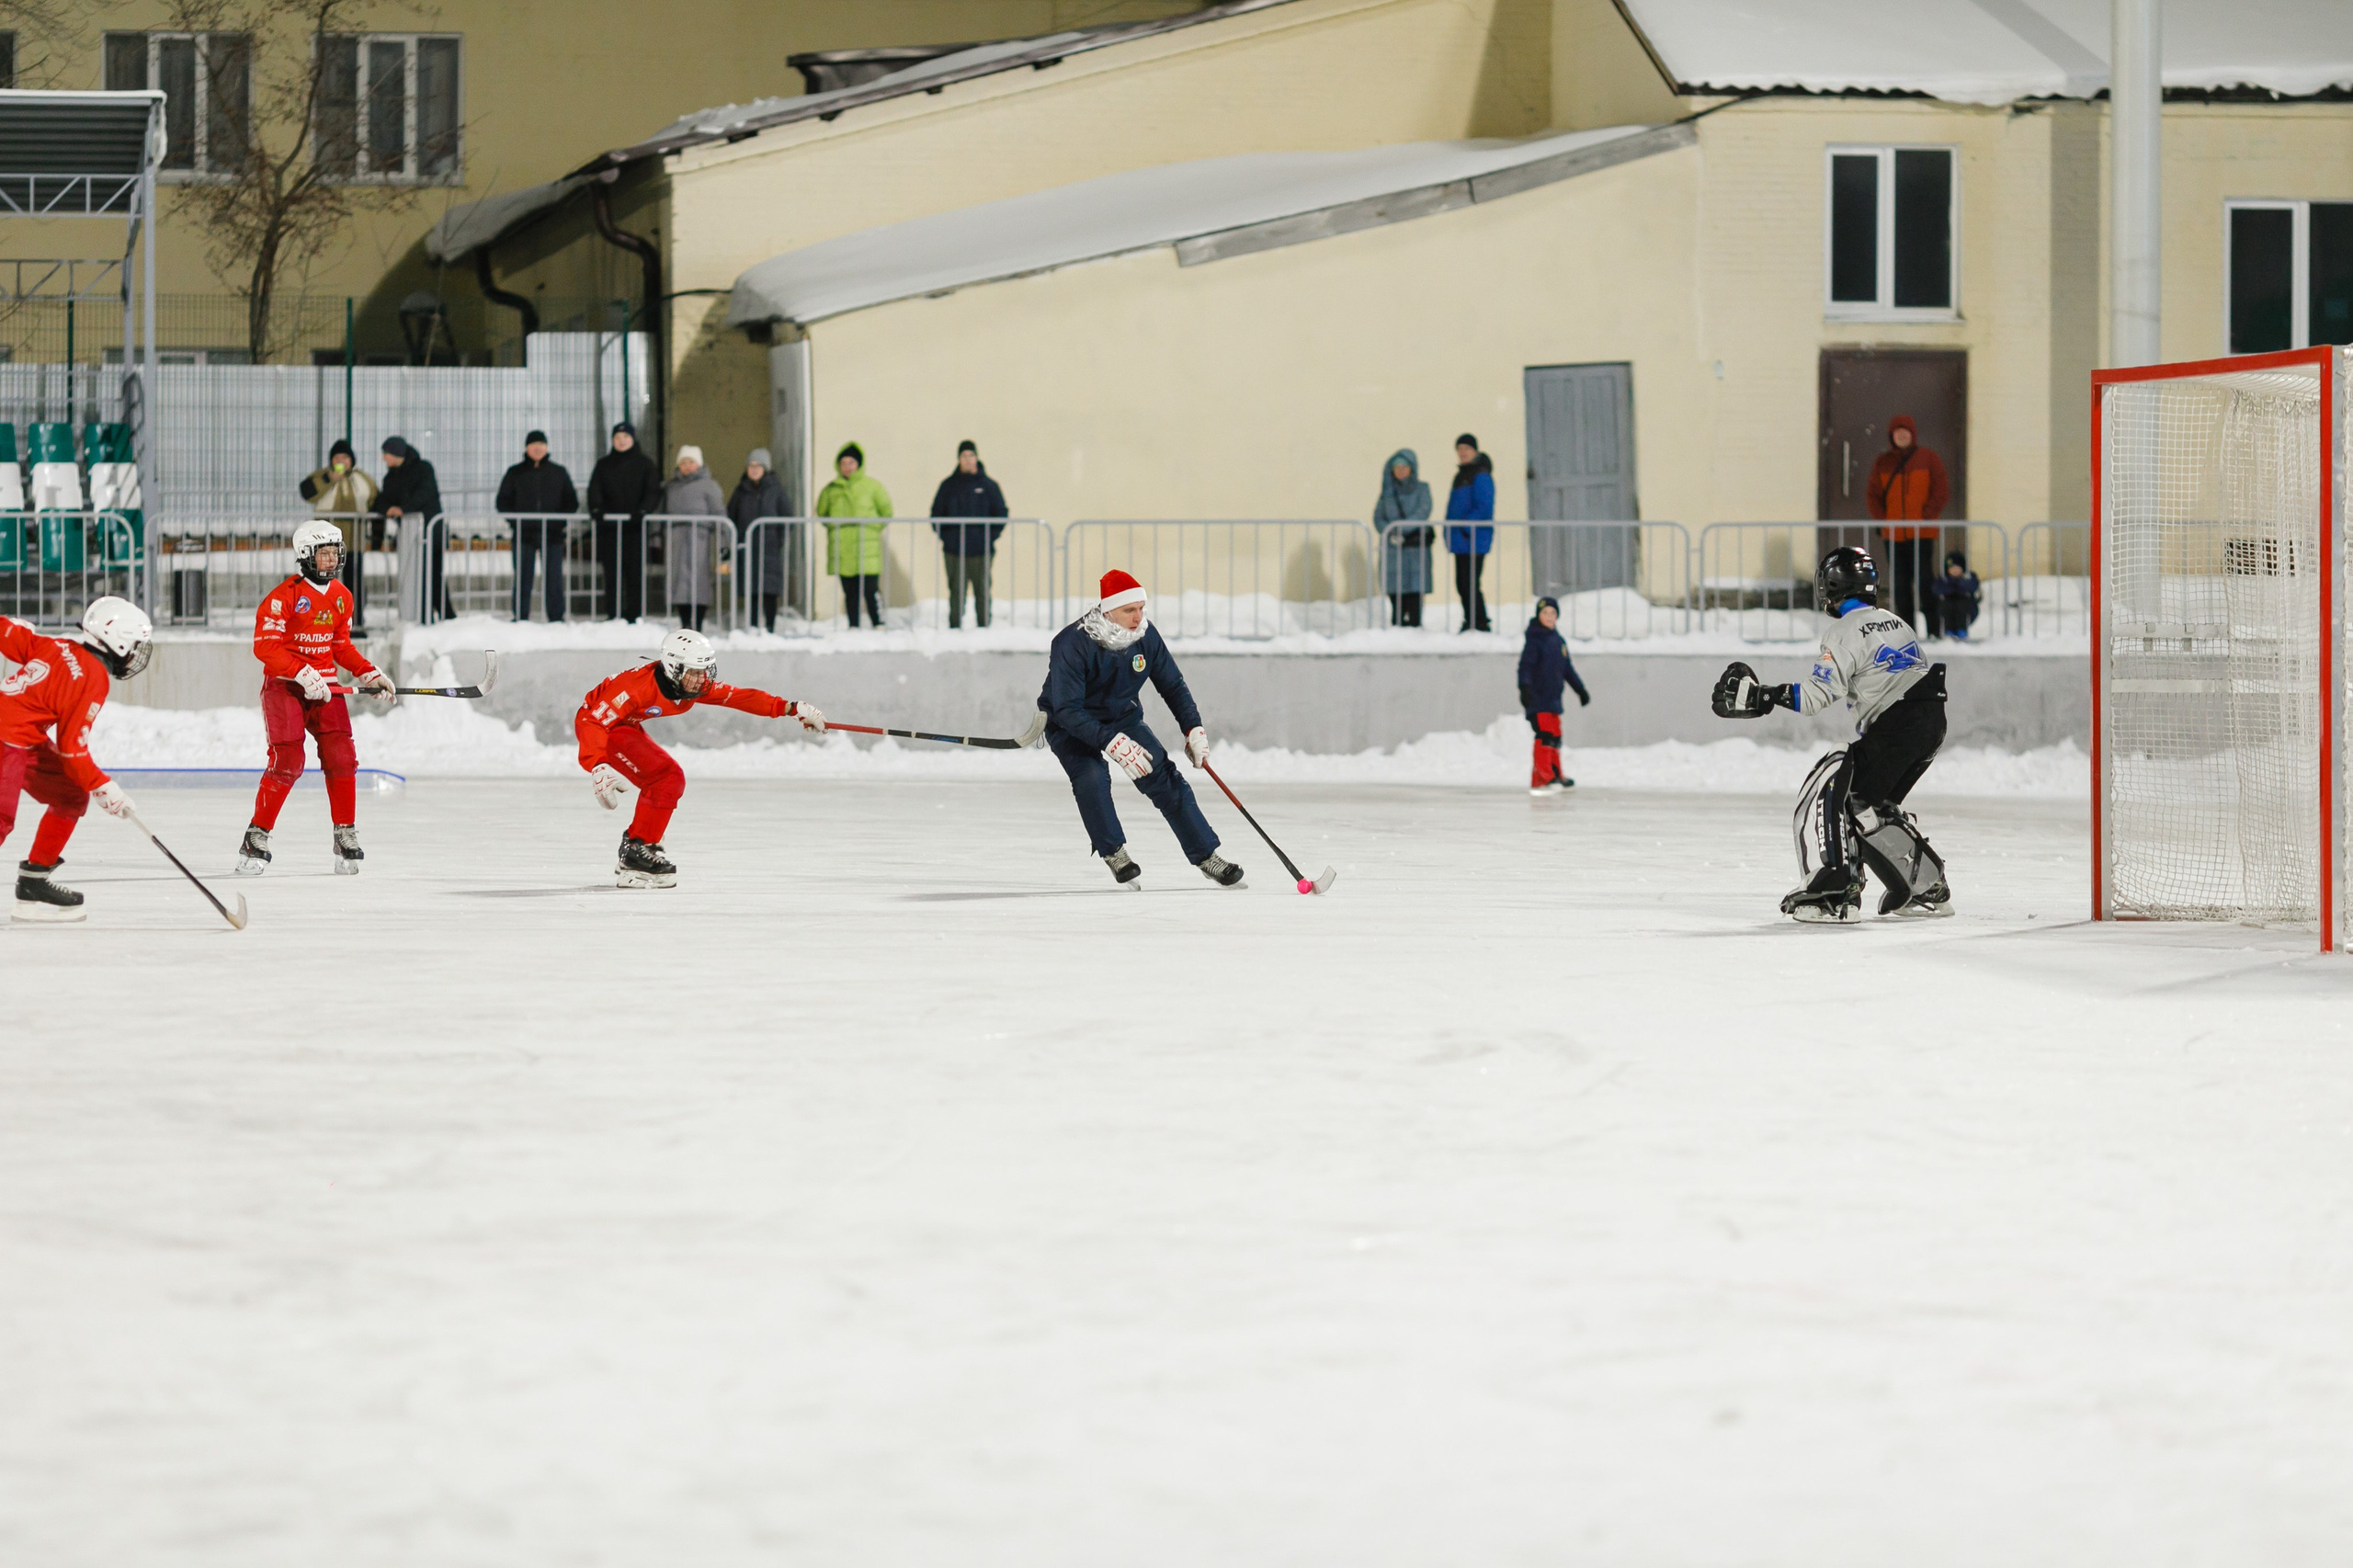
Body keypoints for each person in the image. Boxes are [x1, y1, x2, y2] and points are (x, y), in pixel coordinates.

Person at [1711, 546, 1950, 923]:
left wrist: (1764, 696)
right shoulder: (1893, 620)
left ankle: (1834, 890)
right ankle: (1923, 883)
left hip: (1899, 723)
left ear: (1832, 586)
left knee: (1832, 784)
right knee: (1867, 804)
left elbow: (1814, 696)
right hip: (1932, 720)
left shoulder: (1842, 631)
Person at [1037, 568, 1243, 890]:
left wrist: (1193, 728)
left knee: (1164, 776)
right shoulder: (1071, 643)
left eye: (1141, 608)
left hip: (1122, 717)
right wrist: (1110, 742)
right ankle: (1114, 852)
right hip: (1070, 723)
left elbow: (1172, 685)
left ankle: (1207, 857)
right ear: (1108, 610)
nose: (1138, 617)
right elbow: (1066, 708)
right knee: (1091, 777)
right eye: (1129, 610)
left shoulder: (1145, 636)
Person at [574, 629, 825, 887]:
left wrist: (791, 708)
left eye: (704, 671)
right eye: (693, 672)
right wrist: (597, 764)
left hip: (624, 726)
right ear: (673, 667)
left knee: (669, 779)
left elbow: (737, 697)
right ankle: (636, 851)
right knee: (665, 778)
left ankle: (640, 846)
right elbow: (590, 720)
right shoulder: (634, 687)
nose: (700, 680)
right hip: (604, 729)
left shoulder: (688, 683)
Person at [236, 520, 398, 878]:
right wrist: (300, 671)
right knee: (288, 760)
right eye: (323, 553)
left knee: (343, 757)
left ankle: (345, 833)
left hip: (326, 688)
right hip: (285, 688)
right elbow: (265, 647)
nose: (330, 560)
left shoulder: (342, 595)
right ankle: (256, 836)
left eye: (334, 553)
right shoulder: (283, 597)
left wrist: (369, 672)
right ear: (305, 556)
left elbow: (340, 645)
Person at [0, 597, 152, 921]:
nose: (137, 653)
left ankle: (33, 883)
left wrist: (10, 624)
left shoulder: (57, 644)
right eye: (136, 644)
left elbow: (8, 635)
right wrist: (104, 787)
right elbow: (72, 748)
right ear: (118, 642)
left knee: (69, 794)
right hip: (7, 742)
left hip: (23, 740)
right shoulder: (94, 676)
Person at [1865, 414, 1950, 634]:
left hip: (1922, 533)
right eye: (1897, 432)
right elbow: (1873, 495)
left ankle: (1934, 631)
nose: (1902, 436)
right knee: (1901, 587)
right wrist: (1884, 520)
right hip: (1893, 536)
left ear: (1913, 435)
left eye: (1906, 432)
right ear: (1891, 436)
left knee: (1925, 584)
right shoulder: (1882, 463)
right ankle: (1907, 634)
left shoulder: (1928, 458)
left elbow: (1941, 489)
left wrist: (1926, 516)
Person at [496, 429, 579, 623]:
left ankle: (556, 619)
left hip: (552, 535)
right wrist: (515, 521)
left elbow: (571, 502)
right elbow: (502, 501)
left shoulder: (558, 472)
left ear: (546, 447)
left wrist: (559, 522)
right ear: (526, 448)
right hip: (524, 535)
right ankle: (520, 618)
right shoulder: (515, 472)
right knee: (523, 579)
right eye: (533, 445)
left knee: (553, 580)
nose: (537, 448)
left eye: (541, 445)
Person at [929, 439, 1008, 630]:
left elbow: (1001, 514)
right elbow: (936, 515)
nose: (968, 460)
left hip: (981, 550)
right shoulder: (948, 486)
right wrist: (948, 538)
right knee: (956, 592)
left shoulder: (989, 486)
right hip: (954, 551)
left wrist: (988, 538)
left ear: (976, 457)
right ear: (959, 459)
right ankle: (955, 628)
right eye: (964, 456)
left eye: (971, 455)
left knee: (982, 591)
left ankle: (984, 628)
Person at [588, 422, 662, 622]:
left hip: (635, 529)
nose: (621, 442)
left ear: (633, 439)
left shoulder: (645, 464)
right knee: (612, 573)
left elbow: (653, 491)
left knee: (634, 573)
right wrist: (597, 509)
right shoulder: (603, 465)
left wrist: (643, 510)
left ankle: (634, 615)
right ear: (613, 440)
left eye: (625, 438)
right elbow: (594, 490)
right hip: (609, 529)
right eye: (617, 438)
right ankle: (613, 614)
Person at [297, 438, 378, 621]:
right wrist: (329, 479)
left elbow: (375, 501)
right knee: (322, 582)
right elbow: (307, 492)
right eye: (337, 457)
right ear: (331, 460)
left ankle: (355, 621)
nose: (341, 461)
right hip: (324, 544)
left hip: (354, 542)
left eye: (345, 457)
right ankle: (320, 622)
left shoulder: (362, 479)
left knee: (353, 584)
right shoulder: (323, 475)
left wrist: (376, 538)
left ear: (352, 460)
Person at [1517, 596, 1590, 795]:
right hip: (1538, 699)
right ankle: (1544, 777)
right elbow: (1525, 667)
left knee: (1555, 737)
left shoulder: (1558, 641)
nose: (1549, 617)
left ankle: (1555, 774)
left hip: (1553, 700)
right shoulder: (1534, 640)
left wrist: (1580, 690)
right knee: (1545, 736)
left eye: (1553, 613)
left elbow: (1567, 669)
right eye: (1545, 613)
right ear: (1538, 615)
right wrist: (1525, 688)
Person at [815, 441, 890, 629]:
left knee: (871, 589)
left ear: (859, 464)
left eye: (851, 463)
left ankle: (879, 623)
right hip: (843, 548)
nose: (847, 467)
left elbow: (886, 511)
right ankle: (854, 625)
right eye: (844, 463)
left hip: (867, 547)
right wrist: (836, 529)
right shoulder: (831, 489)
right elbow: (822, 512)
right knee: (850, 591)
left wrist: (871, 530)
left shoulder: (872, 486)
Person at [377, 435, 447, 624]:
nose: (384, 458)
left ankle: (443, 615)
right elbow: (382, 499)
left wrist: (403, 509)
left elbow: (426, 492)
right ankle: (424, 617)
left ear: (396, 454)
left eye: (386, 454)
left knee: (432, 575)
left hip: (431, 532)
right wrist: (388, 509)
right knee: (417, 577)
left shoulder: (423, 468)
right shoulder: (391, 477)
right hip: (410, 535)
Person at [663, 445, 727, 632]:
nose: (687, 466)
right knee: (679, 582)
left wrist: (724, 543)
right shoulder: (671, 487)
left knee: (699, 580)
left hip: (701, 540)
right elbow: (663, 512)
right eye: (683, 462)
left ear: (698, 464)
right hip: (677, 540)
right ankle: (684, 624)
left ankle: (697, 624)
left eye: (691, 462)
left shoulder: (710, 486)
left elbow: (719, 514)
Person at [730, 448, 791, 633]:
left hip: (769, 548)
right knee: (751, 589)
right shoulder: (740, 491)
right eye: (751, 466)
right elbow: (731, 516)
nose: (754, 469)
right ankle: (753, 625)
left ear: (766, 468)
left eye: (758, 466)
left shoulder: (777, 490)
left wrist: (778, 539)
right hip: (747, 548)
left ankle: (770, 627)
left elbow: (787, 517)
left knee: (769, 590)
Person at [1373, 448, 1433, 627]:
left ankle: (1415, 624)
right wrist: (1391, 531)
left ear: (1412, 468)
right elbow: (1378, 518)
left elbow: (1424, 511)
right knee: (1396, 589)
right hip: (1393, 548)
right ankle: (1397, 626)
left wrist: (1402, 529)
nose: (1400, 470)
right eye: (1397, 467)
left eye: (1404, 466)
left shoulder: (1422, 489)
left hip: (1415, 547)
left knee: (1415, 588)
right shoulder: (1387, 493)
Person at [1445, 433, 1495, 632]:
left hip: (1473, 537)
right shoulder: (1462, 475)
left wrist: (1466, 527)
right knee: (1463, 583)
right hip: (1462, 539)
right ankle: (1471, 619)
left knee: (1469, 582)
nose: (1463, 453)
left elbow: (1484, 507)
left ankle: (1479, 622)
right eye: (1460, 449)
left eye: (1466, 449)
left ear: (1475, 451)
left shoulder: (1480, 475)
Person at [1930, 551, 1982, 641]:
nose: (1955, 570)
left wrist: (1959, 582)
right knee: (1946, 606)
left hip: (1966, 605)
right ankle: (1948, 630)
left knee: (1962, 606)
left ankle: (1962, 630)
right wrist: (1952, 583)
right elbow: (1936, 589)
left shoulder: (1968, 577)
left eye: (1957, 567)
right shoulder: (1944, 578)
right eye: (1952, 568)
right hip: (1948, 605)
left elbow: (1972, 586)